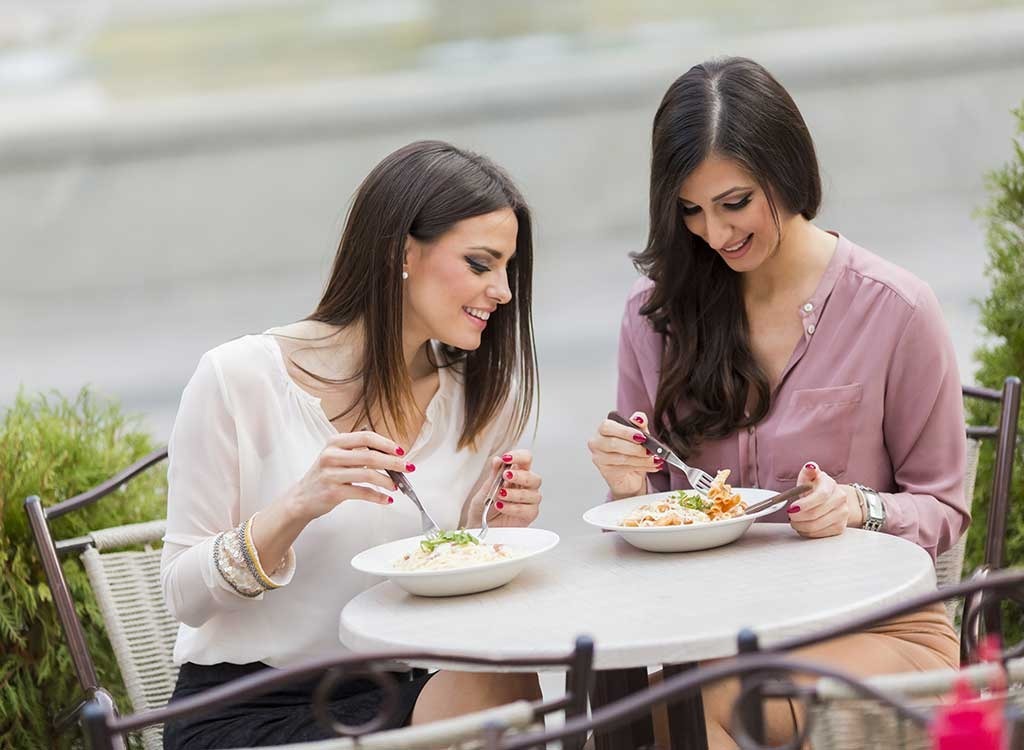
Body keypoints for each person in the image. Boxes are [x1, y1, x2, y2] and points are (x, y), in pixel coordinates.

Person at [586, 57, 968, 748]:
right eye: (691, 210)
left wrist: (858, 506)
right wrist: (628, 483)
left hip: (879, 629)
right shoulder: (654, 317)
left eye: (734, 203)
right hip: (707, 635)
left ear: (787, 172)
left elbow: (943, 506)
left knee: (681, 709)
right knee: (630, 713)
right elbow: (653, 507)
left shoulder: (897, 309)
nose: (715, 233)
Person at [160, 140, 544, 748]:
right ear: (401, 253)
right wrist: (298, 504)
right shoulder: (240, 378)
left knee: (506, 688)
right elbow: (182, 594)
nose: (502, 291)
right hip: (248, 707)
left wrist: (483, 533)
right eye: (479, 264)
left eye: (507, 269)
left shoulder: (478, 400)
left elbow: (465, 612)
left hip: (398, 693)